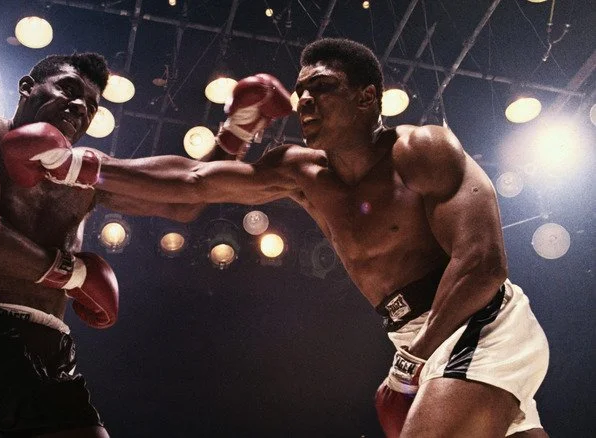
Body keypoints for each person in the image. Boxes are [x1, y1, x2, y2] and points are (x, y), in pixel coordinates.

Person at [94, 38, 550, 437]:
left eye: (322, 87)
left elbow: (482, 265)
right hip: (416, 339)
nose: (304, 100)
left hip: (480, 324)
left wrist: (412, 361)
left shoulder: (421, 150)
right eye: (300, 91)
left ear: (367, 97)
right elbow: (193, 181)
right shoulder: (300, 172)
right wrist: (84, 166)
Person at [0, 52, 207, 437]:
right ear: (27, 88)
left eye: (91, 106)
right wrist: (75, 275)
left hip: (47, 351)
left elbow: (185, 199)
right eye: (69, 90)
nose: (80, 107)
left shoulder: (86, 176)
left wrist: (239, 130)